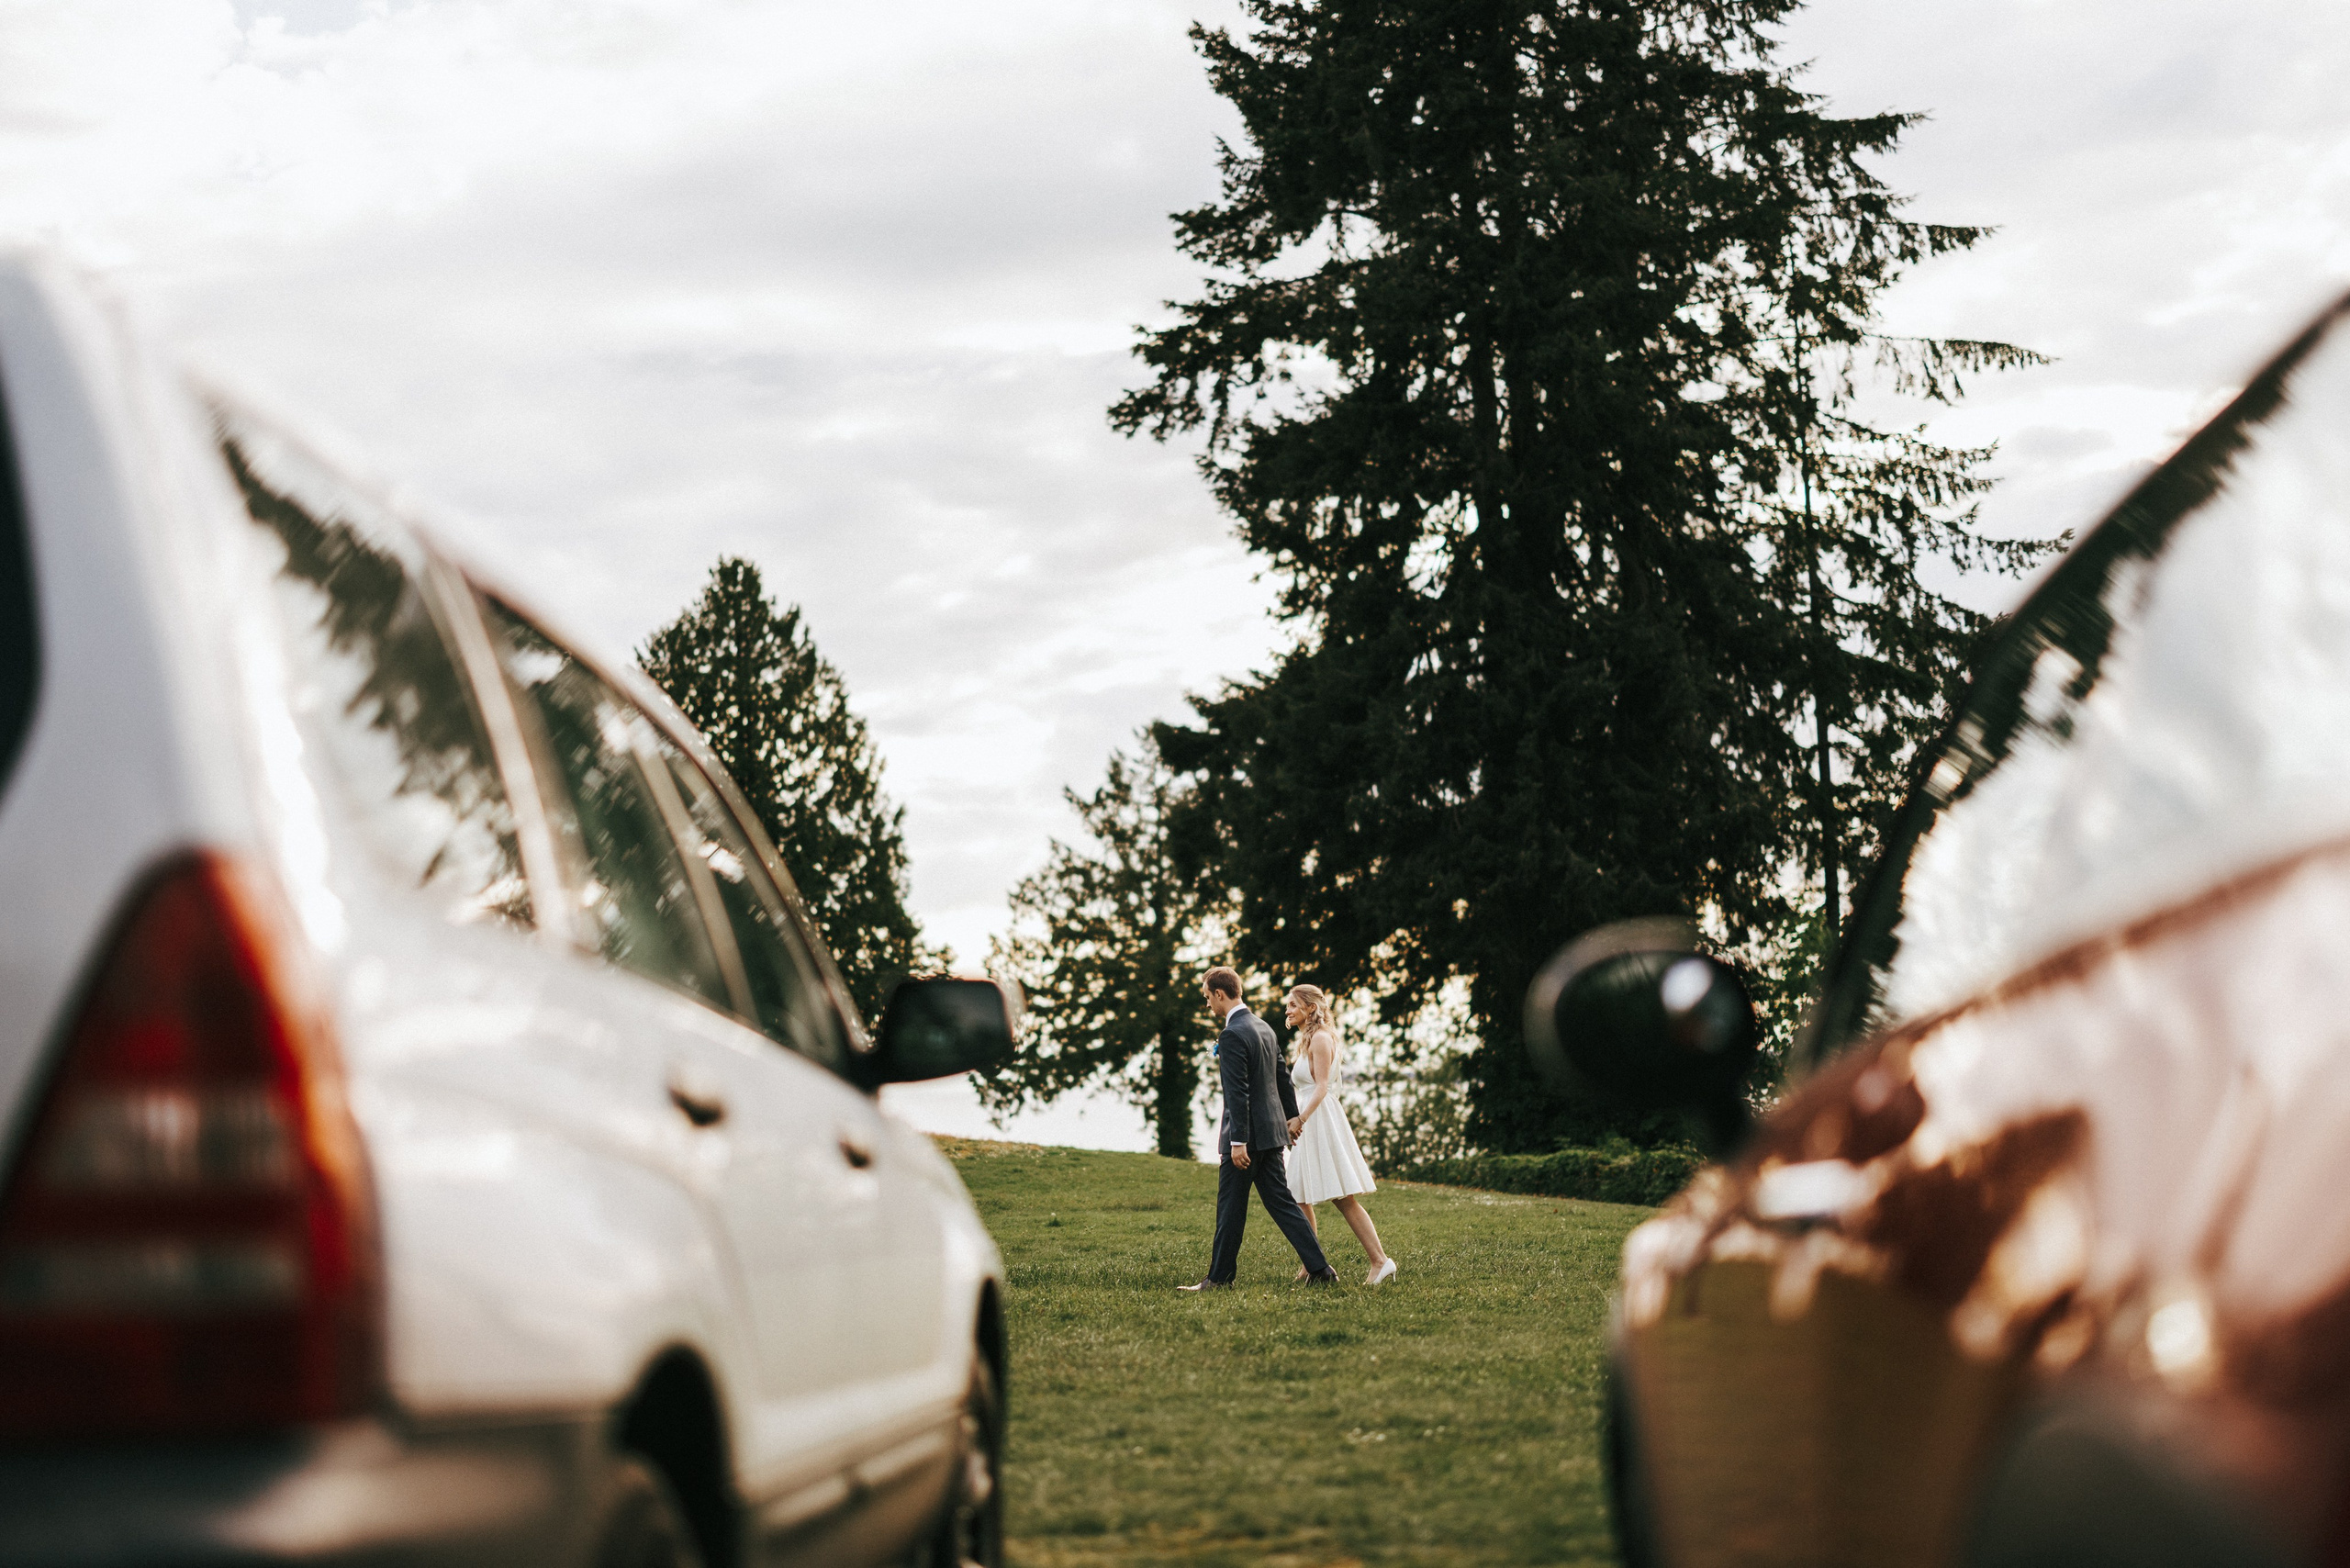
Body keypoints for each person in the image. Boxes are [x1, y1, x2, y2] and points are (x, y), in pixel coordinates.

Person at [1179, 967, 1338, 1290]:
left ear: (1220, 994)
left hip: (1246, 1140)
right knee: (1283, 1205)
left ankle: (1219, 1279)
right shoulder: (1264, 1027)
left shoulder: (1233, 1034)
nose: (1207, 1003)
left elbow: (1238, 1092)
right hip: (1271, 1136)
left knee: (1230, 1210)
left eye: (1207, 996)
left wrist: (1238, 1141)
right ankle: (1322, 1270)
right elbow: (1282, 1078)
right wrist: (1290, 1121)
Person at [1281, 985, 1396, 1285]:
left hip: (1319, 1119)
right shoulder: (1308, 1038)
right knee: (1299, 1194)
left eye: (1293, 1005)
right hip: (1310, 1118)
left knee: (1343, 1198)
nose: (1288, 1010)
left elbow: (1321, 1086)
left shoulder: (1321, 1038)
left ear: (1310, 1007)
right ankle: (1311, 1263)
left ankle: (1380, 1261)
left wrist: (1301, 1119)